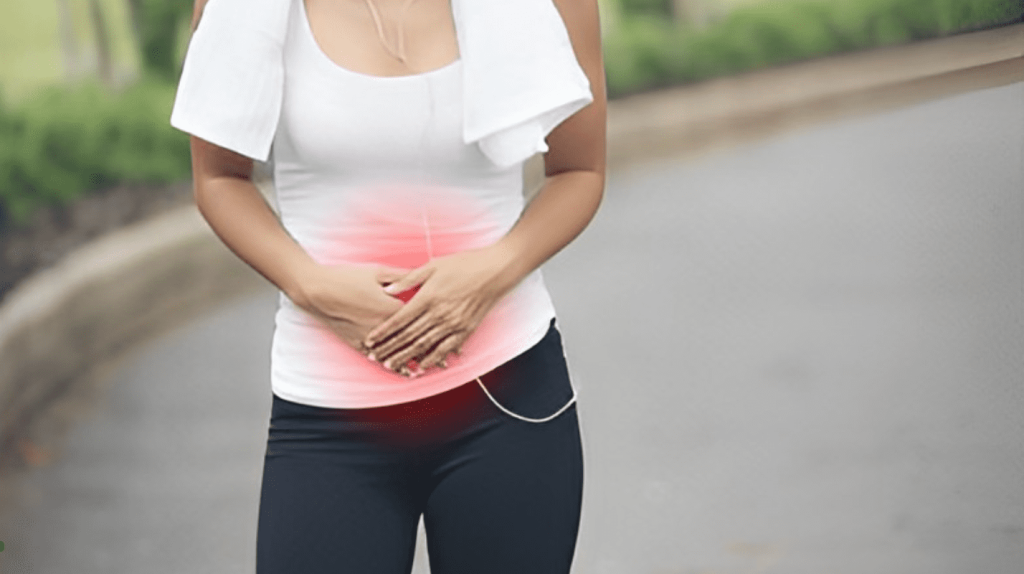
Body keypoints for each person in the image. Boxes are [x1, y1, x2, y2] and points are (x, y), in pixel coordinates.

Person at [171, 0, 605, 572]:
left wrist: (492, 271)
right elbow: (219, 178)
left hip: (507, 402)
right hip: (328, 417)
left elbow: (580, 171)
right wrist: (310, 285)